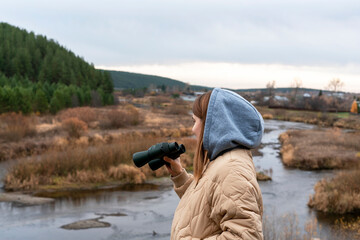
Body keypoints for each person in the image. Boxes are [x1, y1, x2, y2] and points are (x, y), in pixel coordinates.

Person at [164, 88, 264, 239]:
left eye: (195, 121)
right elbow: (206, 204)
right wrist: (180, 176)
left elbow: (245, 236)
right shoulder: (221, 160)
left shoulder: (231, 168)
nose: (193, 129)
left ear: (213, 124)